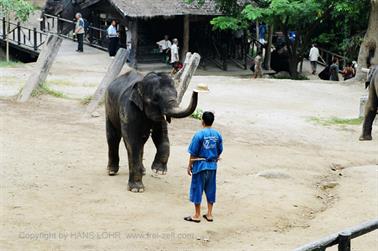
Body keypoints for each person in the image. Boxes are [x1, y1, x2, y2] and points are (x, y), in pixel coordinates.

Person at [184, 111, 223, 223]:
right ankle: (209, 214)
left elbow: (193, 152)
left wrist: (189, 165)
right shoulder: (217, 134)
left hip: (200, 166)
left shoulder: (199, 135)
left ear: (202, 121)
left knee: (197, 188)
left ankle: (197, 215)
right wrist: (214, 158)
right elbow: (220, 150)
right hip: (212, 166)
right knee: (211, 189)